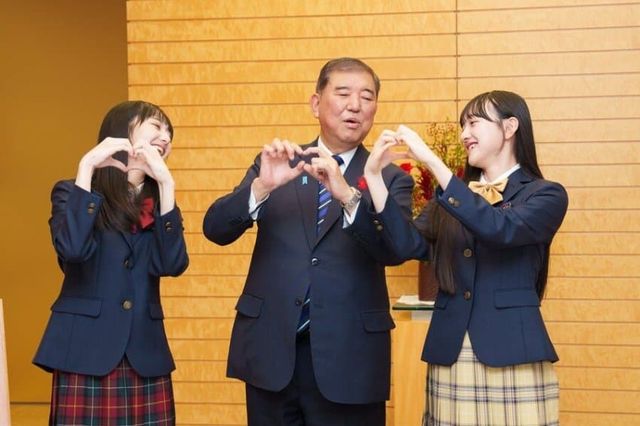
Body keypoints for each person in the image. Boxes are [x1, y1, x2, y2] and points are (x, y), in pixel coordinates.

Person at [202, 57, 414, 425]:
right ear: (316, 103)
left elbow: (397, 250)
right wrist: (261, 187)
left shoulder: (389, 177)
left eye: (367, 97)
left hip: (349, 357)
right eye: (343, 93)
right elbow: (216, 229)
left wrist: (348, 196)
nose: (355, 105)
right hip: (272, 350)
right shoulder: (279, 164)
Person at [363, 91, 568, 425]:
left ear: (510, 127)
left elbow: (501, 229)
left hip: (514, 351)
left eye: (473, 123)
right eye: (462, 125)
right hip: (451, 351)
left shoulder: (545, 194)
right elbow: (404, 246)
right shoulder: (450, 198)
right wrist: (374, 178)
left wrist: (432, 162)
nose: (464, 134)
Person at [33, 100, 189, 424]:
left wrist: (167, 185)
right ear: (124, 130)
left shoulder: (161, 204)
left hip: (145, 353)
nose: (166, 137)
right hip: (83, 350)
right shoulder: (74, 192)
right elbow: (72, 250)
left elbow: (172, 264)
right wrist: (87, 166)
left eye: (169, 133)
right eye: (156, 126)